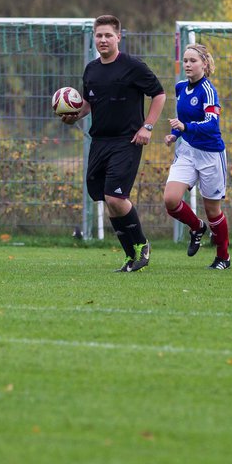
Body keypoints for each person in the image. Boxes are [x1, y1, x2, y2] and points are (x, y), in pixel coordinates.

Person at [59, 14, 166, 273]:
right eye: (99, 35)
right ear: (94, 38)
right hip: (100, 141)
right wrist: (74, 116)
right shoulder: (91, 69)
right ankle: (131, 257)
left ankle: (142, 245)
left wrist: (147, 127)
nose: (103, 40)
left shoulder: (133, 66)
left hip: (127, 140)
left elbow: (159, 94)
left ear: (119, 37)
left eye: (108, 35)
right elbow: (89, 103)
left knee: (116, 197)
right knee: (108, 200)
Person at [162, 44, 232, 270]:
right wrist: (174, 134)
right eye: (185, 61)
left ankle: (223, 257)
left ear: (204, 63)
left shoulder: (208, 90)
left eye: (193, 60)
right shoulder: (180, 87)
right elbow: (181, 119)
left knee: (213, 210)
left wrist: (184, 127)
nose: (188, 65)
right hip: (187, 151)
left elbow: (212, 124)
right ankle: (197, 227)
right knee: (171, 200)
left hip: (210, 154)